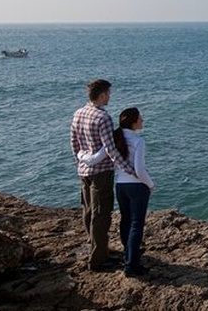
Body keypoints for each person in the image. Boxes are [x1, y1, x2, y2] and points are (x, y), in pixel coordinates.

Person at [70, 79, 137, 272]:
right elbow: (111, 149)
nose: (109, 96)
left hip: (84, 171)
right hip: (101, 172)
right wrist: (129, 169)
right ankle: (98, 260)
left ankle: (95, 247)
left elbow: (73, 143)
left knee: (88, 210)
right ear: (101, 95)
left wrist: (80, 163)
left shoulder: (78, 113)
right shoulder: (102, 118)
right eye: (108, 93)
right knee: (101, 215)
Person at [112, 107, 154, 277]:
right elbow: (139, 170)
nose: (142, 121)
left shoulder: (115, 137)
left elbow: (102, 155)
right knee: (137, 224)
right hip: (137, 186)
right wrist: (150, 185)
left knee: (126, 220)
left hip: (120, 185)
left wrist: (83, 158)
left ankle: (128, 254)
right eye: (140, 118)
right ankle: (132, 265)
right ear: (134, 122)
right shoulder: (138, 141)